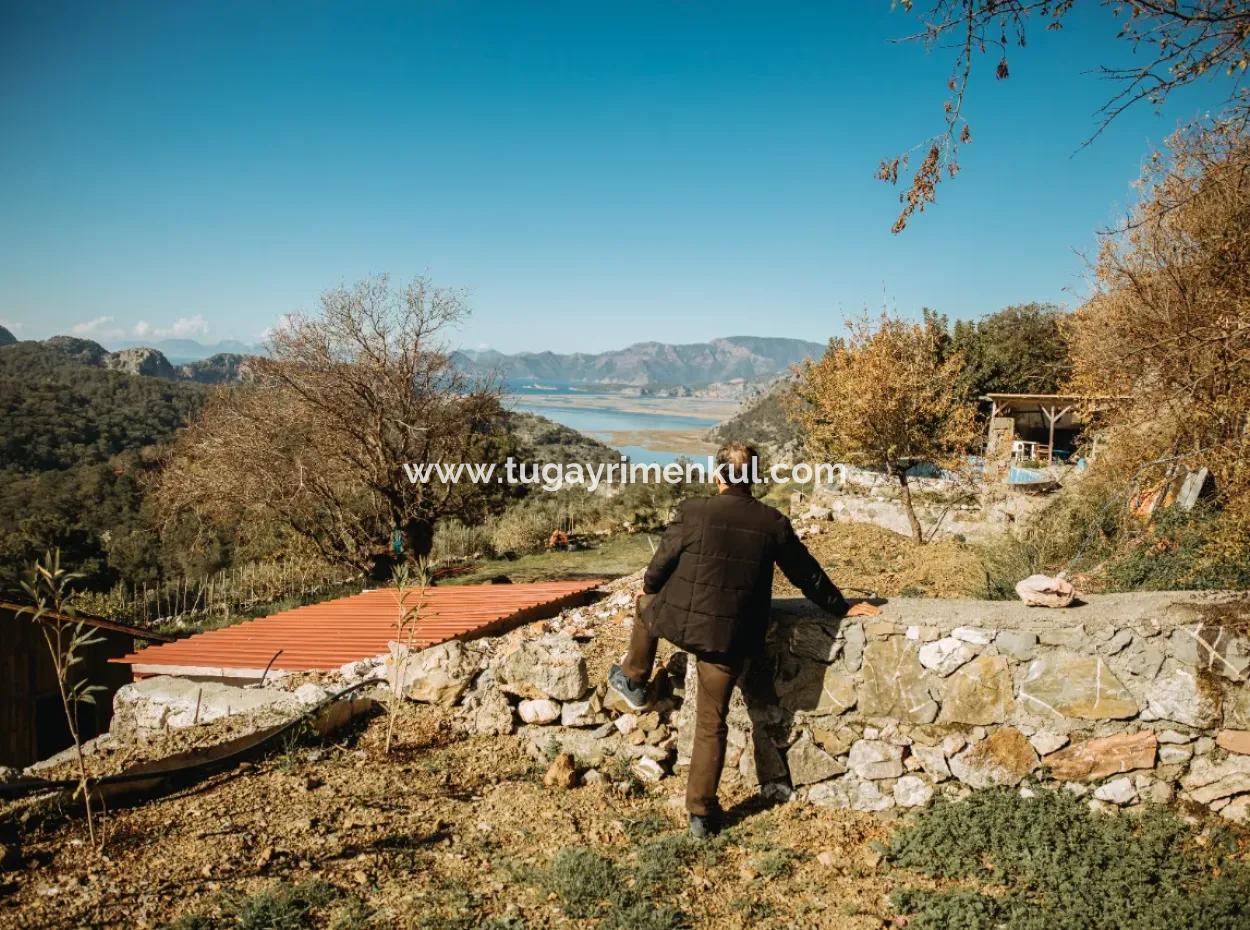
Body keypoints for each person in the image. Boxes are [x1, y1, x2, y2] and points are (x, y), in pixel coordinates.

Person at [608, 442, 880, 838]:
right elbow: (807, 574)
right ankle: (700, 814)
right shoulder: (772, 522)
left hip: (680, 623)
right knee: (710, 722)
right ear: (752, 478)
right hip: (731, 638)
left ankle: (634, 679)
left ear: (718, 475)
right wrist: (841, 607)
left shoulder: (692, 511)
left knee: (645, 602)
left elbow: (655, 573)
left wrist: (656, 593)